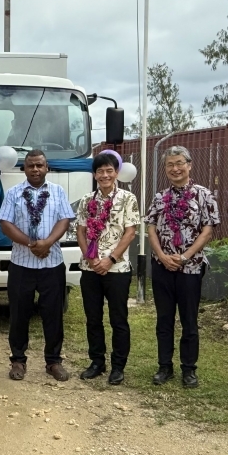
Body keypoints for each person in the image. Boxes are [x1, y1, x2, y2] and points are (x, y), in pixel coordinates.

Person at [144, 146, 219, 388]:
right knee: (164, 319)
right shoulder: (159, 197)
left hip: (191, 268)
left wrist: (185, 256)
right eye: (170, 165)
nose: (175, 169)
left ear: (189, 165)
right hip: (162, 266)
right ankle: (164, 366)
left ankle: (189, 369)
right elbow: (151, 228)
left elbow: (207, 230)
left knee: (189, 320)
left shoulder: (204, 195)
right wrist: (162, 256)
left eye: (179, 163)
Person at [0, 150, 74, 382]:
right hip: (22, 263)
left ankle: (53, 361)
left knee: (53, 314)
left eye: (40, 165)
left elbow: (65, 219)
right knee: (19, 313)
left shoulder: (58, 191)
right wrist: (31, 243)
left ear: (47, 167)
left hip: (52, 262)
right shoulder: (14, 193)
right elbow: (5, 223)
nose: (35, 169)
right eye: (31, 166)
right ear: (24, 169)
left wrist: (48, 242)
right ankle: (18, 360)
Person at [76, 151, 140, 384]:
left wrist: (110, 259)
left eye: (109, 171)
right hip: (90, 267)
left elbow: (130, 232)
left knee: (118, 319)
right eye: (100, 171)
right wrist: (90, 258)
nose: (105, 175)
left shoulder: (127, 198)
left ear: (116, 173)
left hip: (117, 269)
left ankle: (118, 366)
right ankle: (97, 362)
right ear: (94, 174)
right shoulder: (86, 200)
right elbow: (80, 231)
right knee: (93, 318)